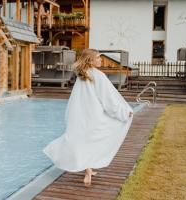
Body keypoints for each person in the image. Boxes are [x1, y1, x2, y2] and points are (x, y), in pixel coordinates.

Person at [43, 49, 133, 186]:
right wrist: (123, 113)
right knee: (93, 139)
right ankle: (87, 171)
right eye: (98, 57)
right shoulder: (98, 75)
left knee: (82, 140)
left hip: (80, 115)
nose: (100, 60)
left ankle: (88, 169)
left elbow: (77, 98)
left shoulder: (82, 75)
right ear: (90, 60)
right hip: (93, 116)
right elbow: (108, 100)